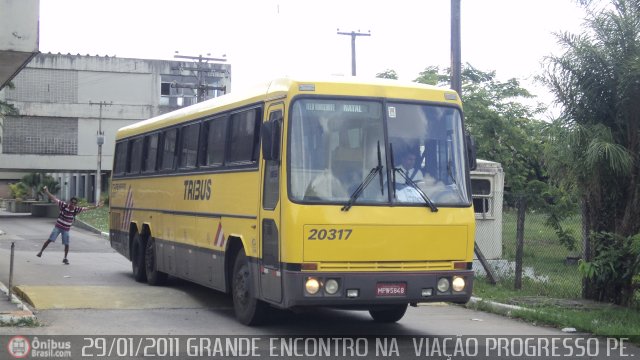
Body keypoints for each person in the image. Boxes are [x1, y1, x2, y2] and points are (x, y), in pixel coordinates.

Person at [36, 186, 103, 265]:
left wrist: (96, 206)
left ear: (76, 204)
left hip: (66, 229)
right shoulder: (63, 205)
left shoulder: (76, 209)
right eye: (72, 203)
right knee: (50, 239)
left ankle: (65, 258)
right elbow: (54, 198)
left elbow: (87, 208)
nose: (73, 205)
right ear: (69, 202)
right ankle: (41, 251)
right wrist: (47, 192)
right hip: (58, 227)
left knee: (66, 244)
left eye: (74, 203)